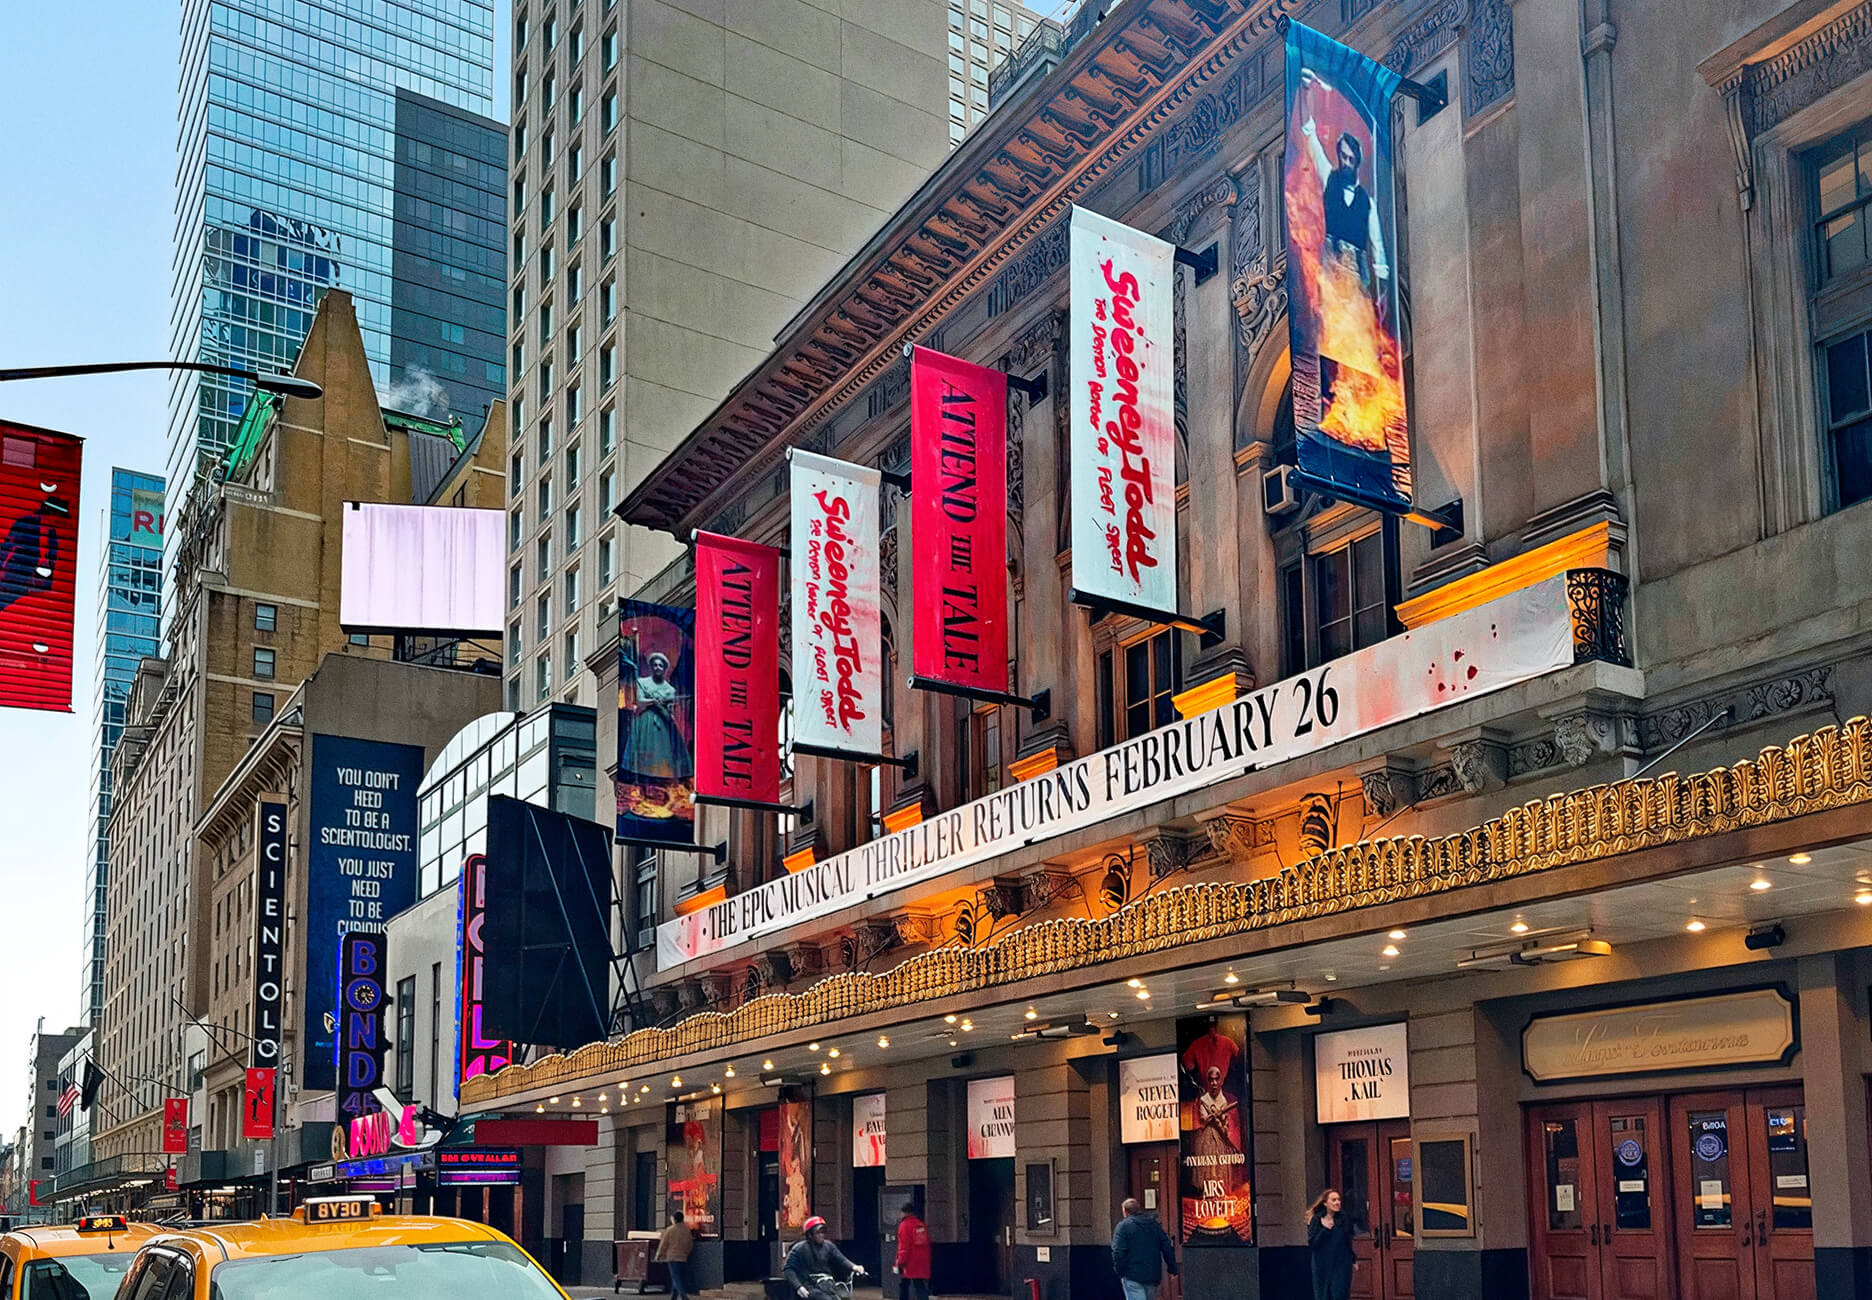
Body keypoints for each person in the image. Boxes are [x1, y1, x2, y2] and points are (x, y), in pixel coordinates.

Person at [1299, 72, 1390, 295]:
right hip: (1330, 260)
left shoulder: (1367, 202)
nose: (1346, 162)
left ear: (1357, 161)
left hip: (1357, 269)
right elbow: (1311, 136)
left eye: (1351, 158)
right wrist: (1305, 93)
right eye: (1343, 156)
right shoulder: (1329, 175)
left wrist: (1383, 289)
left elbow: (1377, 245)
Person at [784, 1215, 867, 1300]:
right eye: (818, 1233)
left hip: (827, 1284)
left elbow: (841, 1259)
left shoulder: (828, 1246)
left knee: (843, 1297)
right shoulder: (799, 1248)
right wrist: (799, 1287)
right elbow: (788, 1269)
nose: (822, 1235)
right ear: (810, 1235)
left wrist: (854, 1267)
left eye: (823, 1232)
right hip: (809, 1285)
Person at [1110, 1198, 1177, 1300]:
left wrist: (1120, 1271)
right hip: (1152, 1275)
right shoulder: (1154, 1225)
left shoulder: (1123, 1226)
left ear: (1125, 1211)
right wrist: (1172, 1269)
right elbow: (1167, 1246)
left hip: (1132, 1275)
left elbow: (1118, 1251)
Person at [1307, 1188, 1357, 1300]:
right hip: (1322, 1265)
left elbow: (1347, 1240)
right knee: (1324, 1295)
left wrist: (1353, 1259)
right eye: (1333, 1200)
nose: (1337, 1202)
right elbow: (1313, 1244)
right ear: (1325, 1203)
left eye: (1339, 1200)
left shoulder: (1343, 1218)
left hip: (1341, 1263)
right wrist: (1325, 1230)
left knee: (1340, 1294)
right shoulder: (1317, 1219)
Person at [893, 1202, 931, 1300]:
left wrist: (899, 1262)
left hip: (909, 1261)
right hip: (921, 1260)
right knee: (919, 1284)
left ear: (903, 1213)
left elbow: (904, 1246)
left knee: (904, 1283)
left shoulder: (904, 1225)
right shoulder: (920, 1224)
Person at [655, 1211, 695, 1300]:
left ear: (674, 1219)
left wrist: (659, 1255)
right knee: (677, 1278)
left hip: (672, 1257)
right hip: (683, 1257)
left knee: (676, 1278)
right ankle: (673, 1297)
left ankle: (683, 1295)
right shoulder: (686, 1230)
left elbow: (664, 1244)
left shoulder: (670, 1230)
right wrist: (686, 1253)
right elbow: (690, 1244)